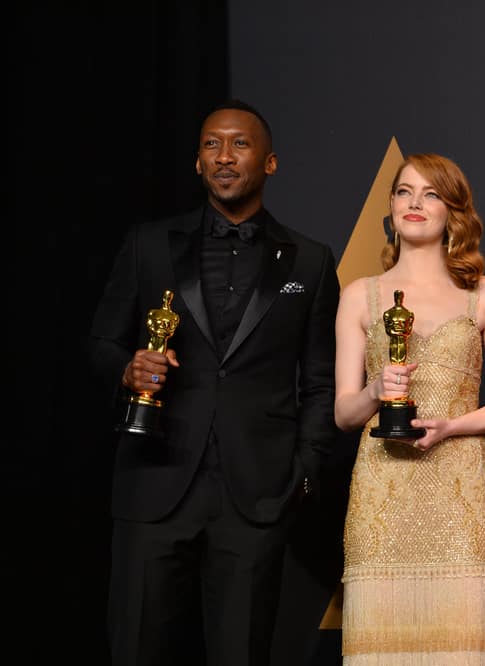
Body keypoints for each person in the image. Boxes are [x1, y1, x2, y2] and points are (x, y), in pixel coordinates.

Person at [87, 99, 341, 666]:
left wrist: (300, 475)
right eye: (211, 145)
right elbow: (101, 344)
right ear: (197, 162)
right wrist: (129, 369)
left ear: (270, 163)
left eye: (240, 144)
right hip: (153, 485)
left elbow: (320, 381)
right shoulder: (147, 244)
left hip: (255, 498)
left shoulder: (310, 262)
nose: (224, 157)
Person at [334, 153, 485, 664]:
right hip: (382, 501)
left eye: (431, 193)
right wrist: (373, 392)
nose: (415, 203)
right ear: (390, 206)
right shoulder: (358, 297)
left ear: (453, 210)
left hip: (462, 501)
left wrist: (453, 426)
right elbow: (344, 414)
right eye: (405, 192)